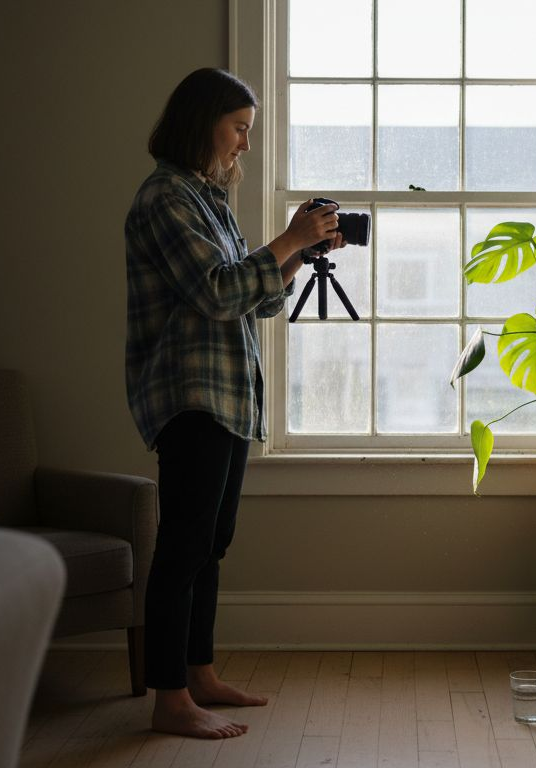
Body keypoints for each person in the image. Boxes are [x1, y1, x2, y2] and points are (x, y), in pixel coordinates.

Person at [124, 67, 344, 740]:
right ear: (203, 122)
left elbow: (257, 296)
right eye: (239, 129)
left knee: (211, 542)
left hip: (225, 392)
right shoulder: (165, 198)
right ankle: (170, 698)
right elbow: (218, 292)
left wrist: (297, 255)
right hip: (191, 394)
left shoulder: (208, 198)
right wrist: (287, 239)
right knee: (184, 545)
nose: (245, 145)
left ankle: (200, 671)